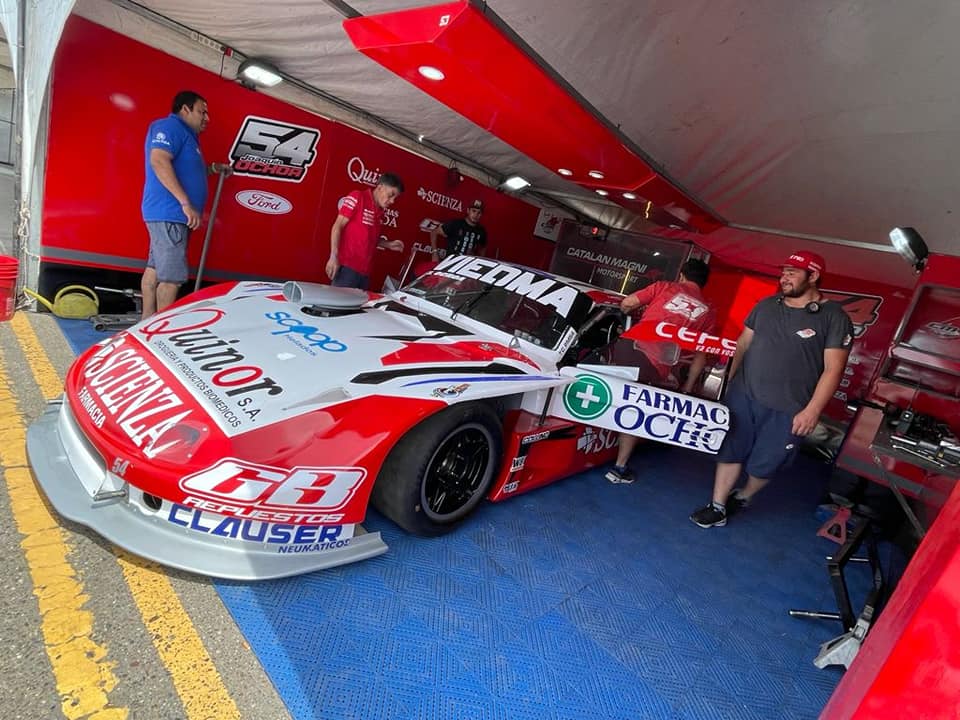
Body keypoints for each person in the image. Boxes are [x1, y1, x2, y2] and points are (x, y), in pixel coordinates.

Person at [689, 250, 853, 528]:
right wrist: (728, 382)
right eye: (783, 272)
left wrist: (812, 411)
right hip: (744, 395)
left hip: (790, 408)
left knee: (767, 463)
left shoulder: (834, 316)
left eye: (792, 272)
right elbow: (743, 343)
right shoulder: (765, 305)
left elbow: (833, 369)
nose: (784, 277)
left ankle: (744, 495)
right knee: (731, 449)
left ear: (813, 276)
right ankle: (717, 505)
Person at [605, 258, 715, 484]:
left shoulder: (664, 287)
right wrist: (687, 387)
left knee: (609, 389)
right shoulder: (707, 313)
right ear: (704, 283)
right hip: (654, 363)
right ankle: (618, 468)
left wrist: (639, 312)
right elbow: (700, 356)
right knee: (636, 409)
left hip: (627, 347)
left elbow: (627, 303)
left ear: (682, 275)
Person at [140, 90, 230, 318]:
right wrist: (184, 203)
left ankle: (146, 322)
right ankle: (160, 329)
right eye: (202, 112)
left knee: (154, 270)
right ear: (185, 109)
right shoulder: (170, 127)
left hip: (170, 214)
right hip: (170, 213)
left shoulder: (187, 136)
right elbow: (159, 160)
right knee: (171, 279)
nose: (207, 118)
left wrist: (212, 169)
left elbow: (187, 172)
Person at [326, 173, 405, 290]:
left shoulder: (380, 212)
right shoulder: (358, 197)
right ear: (380, 187)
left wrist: (388, 244)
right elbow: (338, 226)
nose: (392, 201)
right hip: (347, 268)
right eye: (391, 195)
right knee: (337, 301)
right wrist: (333, 256)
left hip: (365, 273)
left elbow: (369, 239)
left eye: (395, 198)